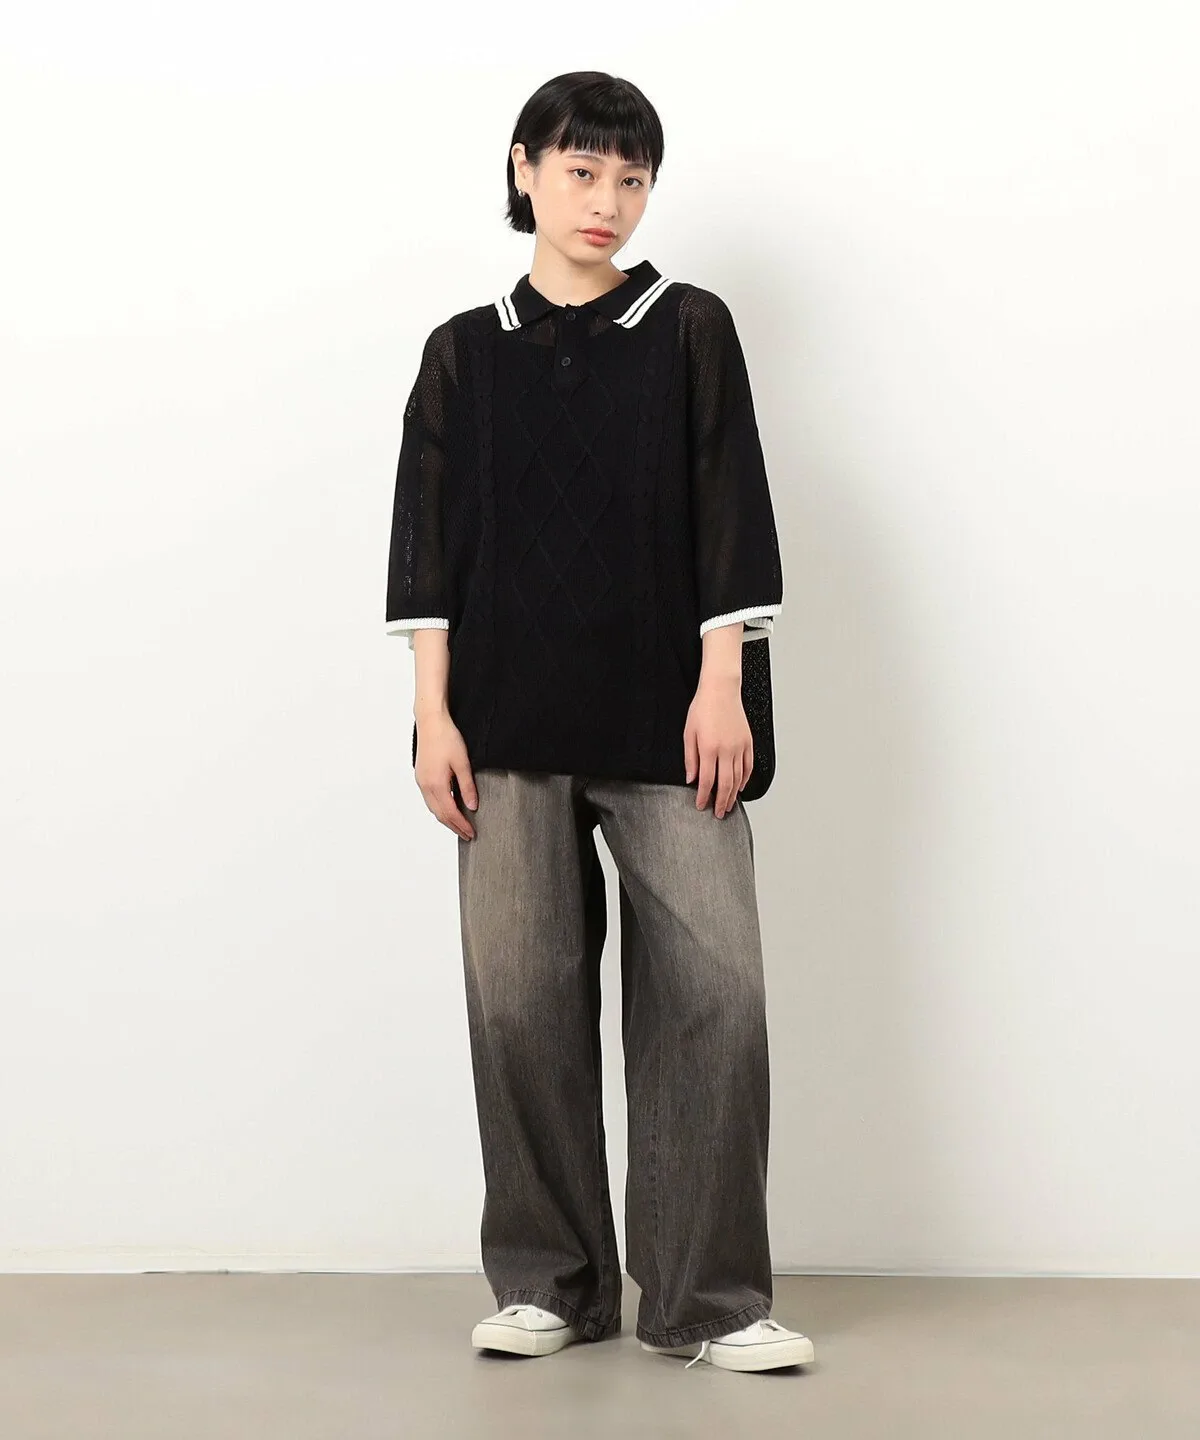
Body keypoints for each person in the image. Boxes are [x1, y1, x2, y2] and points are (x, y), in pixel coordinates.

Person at [385, 70, 815, 1375]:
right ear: (524, 168)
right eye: (582, 171)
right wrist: (431, 716)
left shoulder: (688, 329)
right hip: (502, 722)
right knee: (520, 1003)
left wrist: (724, 679)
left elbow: (729, 499)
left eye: (632, 178)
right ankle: (551, 1284)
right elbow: (428, 545)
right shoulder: (463, 352)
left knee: (715, 996)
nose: (608, 201)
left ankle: (709, 1301)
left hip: (670, 720)